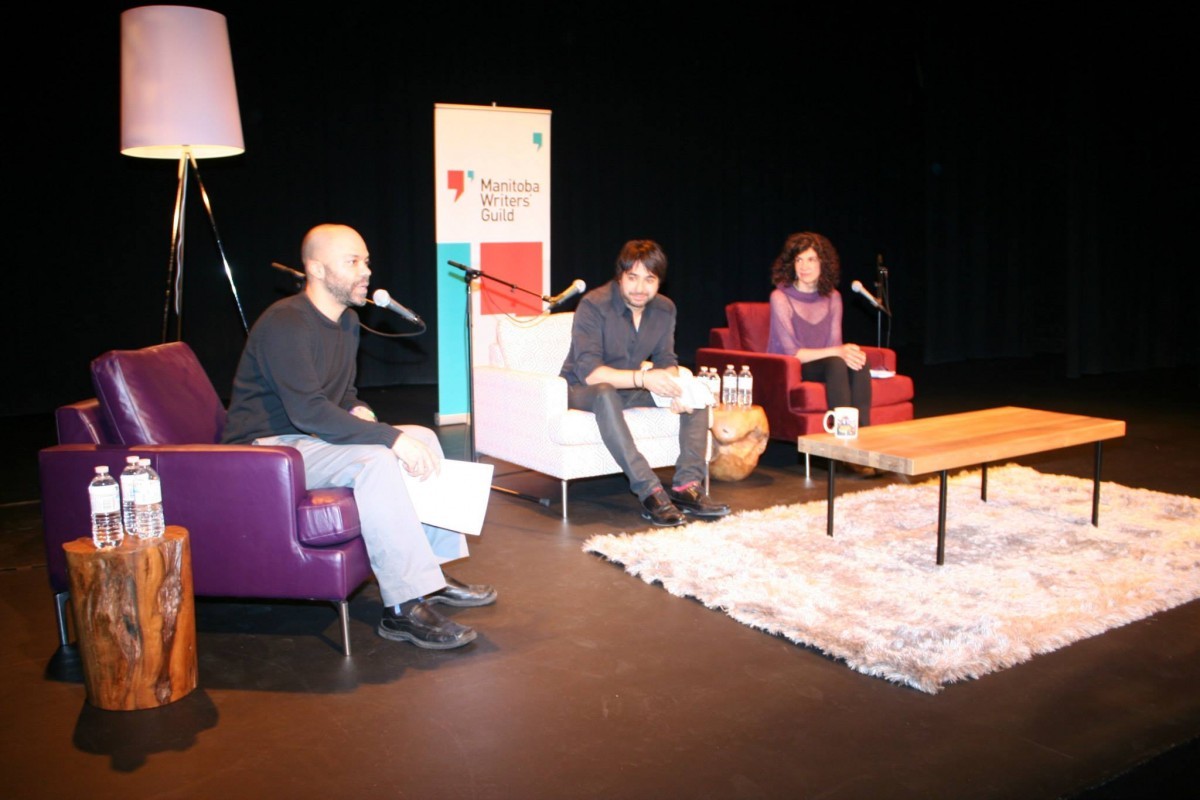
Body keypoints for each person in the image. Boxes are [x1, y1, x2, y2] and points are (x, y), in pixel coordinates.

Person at [222, 223, 496, 649]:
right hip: (269, 447)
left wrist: (358, 410)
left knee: (422, 435)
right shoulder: (286, 323)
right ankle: (402, 608)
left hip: (309, 437)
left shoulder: (348, 321)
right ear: (315, 268)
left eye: (366, 260)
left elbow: (341, 394)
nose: (366, 271)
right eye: (352, 261)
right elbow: (307, 409)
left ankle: (431, 574)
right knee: (378, 459)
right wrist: (386, 437)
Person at [560, 239, 731, 526]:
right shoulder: (594, 304)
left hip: (630, 388)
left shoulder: (665, 309)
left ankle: (687, 487)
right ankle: (649, 490)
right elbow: (591, 373)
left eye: (649, 279)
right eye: (633, 278)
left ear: (659, 282)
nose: (640, 288)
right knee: (604, 392)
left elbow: (666, 358)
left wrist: (673, 384)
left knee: (696, 392)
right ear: (620, 277)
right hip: (583, 390)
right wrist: (644, 378)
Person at [766, 231, 878, 476]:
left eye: (811, 260)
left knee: (859, 360)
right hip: (790, 367)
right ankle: (843, 449)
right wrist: (838, 352)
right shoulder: (780, 297)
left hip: (824, 364)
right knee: (837, 363)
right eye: (799, 260)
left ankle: (865, 443)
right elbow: (791, 352)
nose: (804, 266)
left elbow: (835, 344)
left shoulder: (833, 298)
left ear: (822, 264)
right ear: (791, 264)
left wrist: (846, 352)